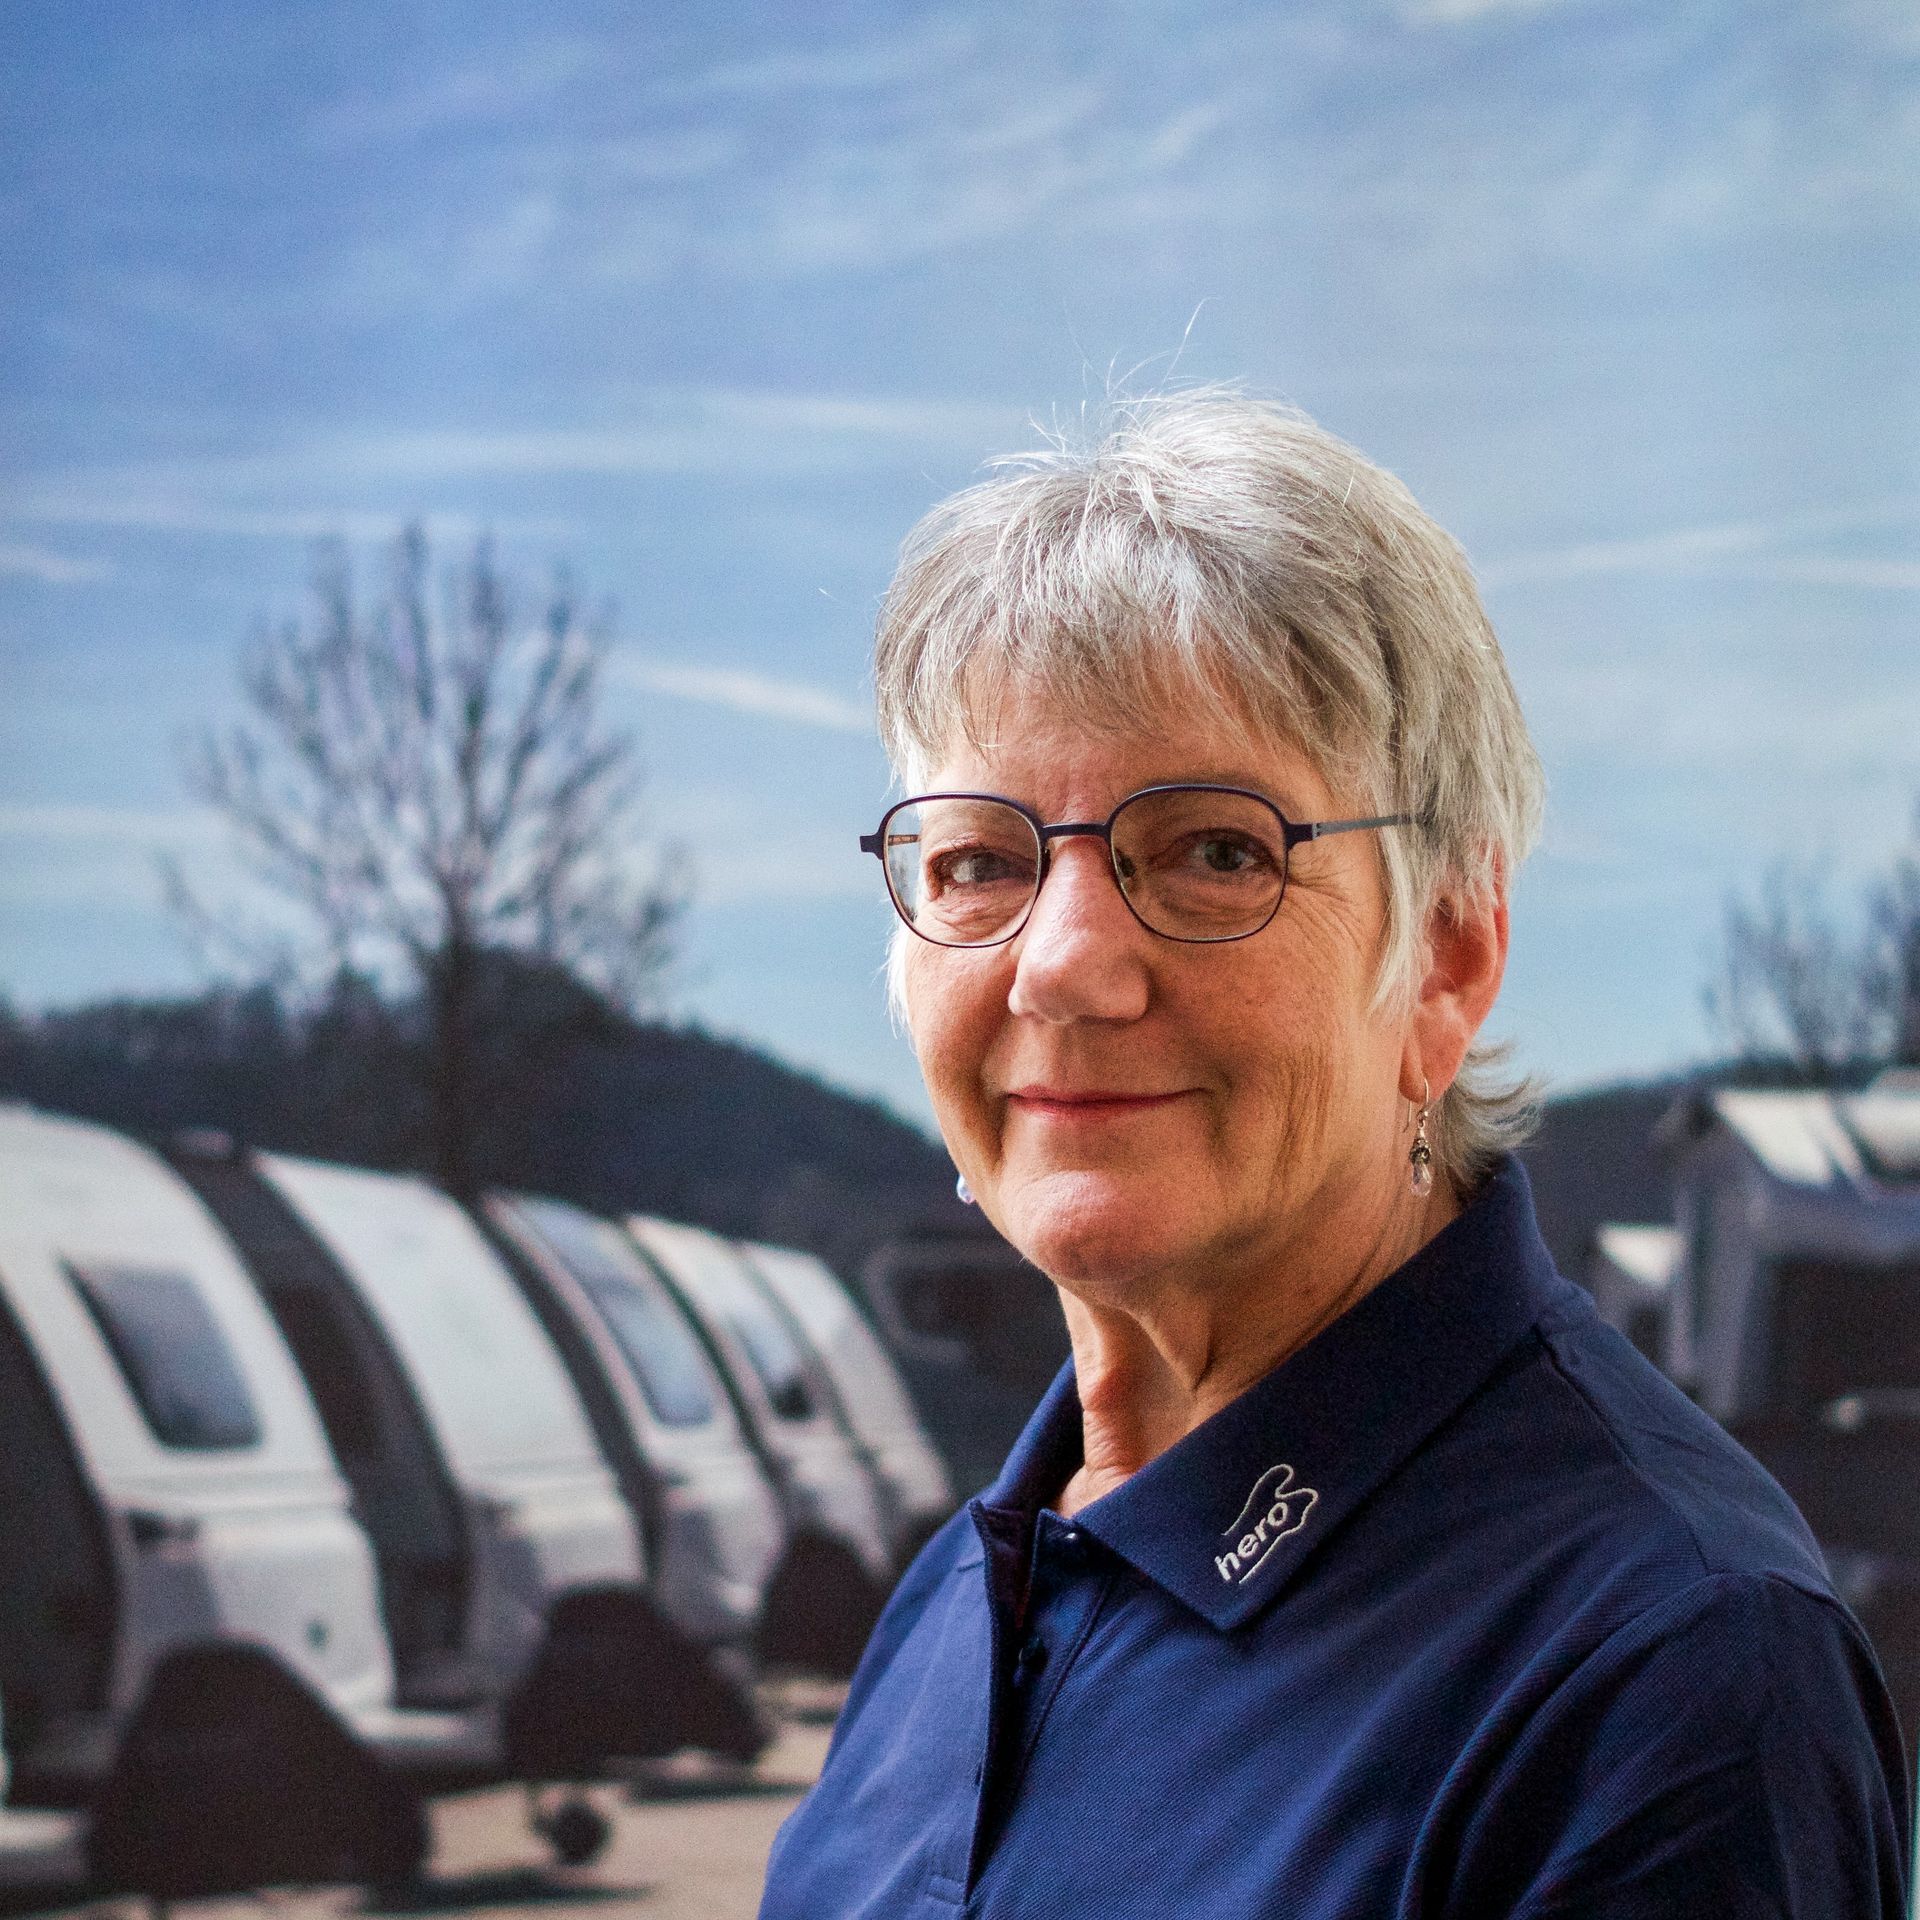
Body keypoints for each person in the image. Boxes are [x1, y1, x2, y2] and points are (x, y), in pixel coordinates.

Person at [757, 393, 1909, 1918]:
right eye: (980, 860)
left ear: (1446, 957)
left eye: (1215, 849)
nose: (1063, 965)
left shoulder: (1664, 1677)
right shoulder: (962, 1602)